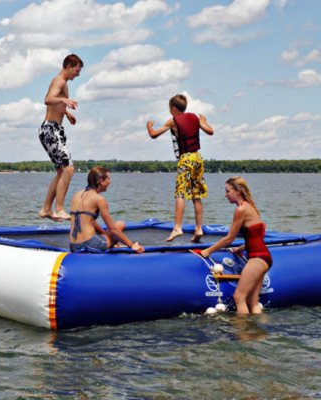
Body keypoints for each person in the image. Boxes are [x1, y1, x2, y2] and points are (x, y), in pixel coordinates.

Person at [200, 176, 273, 315]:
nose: (225, 194)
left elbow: (229, 238)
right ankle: (261, 335)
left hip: (257, 258)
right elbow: (256, 236)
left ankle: (243, 334)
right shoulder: (251, 206)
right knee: (253, 301)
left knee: (239, 297)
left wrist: (208, 251)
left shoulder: (241, 209)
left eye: (228, 191)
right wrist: (241, 249)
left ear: (238, 191)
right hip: (264, 257)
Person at [146, 94, 214, 242]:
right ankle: (199, 228)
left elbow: (153, 135)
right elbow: (210, 131)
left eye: (170, 108)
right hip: (198, 158)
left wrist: (149, 126)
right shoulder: (195, 118)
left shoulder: (173, 121)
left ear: (173, 108)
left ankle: (177, 227)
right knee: (197, 194)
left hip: (186, 159)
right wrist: (203, 121)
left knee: (180, 194)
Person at [38, 54, 84, 221]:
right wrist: (65, 99)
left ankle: (46, 209)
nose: (78, 74)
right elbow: (48, 99)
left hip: (54, 128)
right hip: (50, 129)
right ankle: (59, 209)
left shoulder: (63, 83)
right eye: (77, 70)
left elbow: (55, 103)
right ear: (69, 66)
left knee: (61, 172)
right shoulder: (60, 81)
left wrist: (66, 112)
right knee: (68, 169)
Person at [69, 166, 145, 254]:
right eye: (108, 178)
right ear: (101, 181)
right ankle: (109, 243)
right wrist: (132, 245)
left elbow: (89, 220)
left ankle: (108, 241)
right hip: (90, 245)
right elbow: (113, 229)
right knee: (120, 224)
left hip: (73, 246)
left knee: (107, 234)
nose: (110, 181)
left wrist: (105, 234)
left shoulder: (76, 195)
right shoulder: (99, 199)